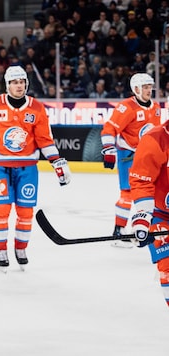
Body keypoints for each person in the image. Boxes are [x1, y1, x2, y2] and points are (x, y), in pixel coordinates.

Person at [0, 65, 71, 271]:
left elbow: (45, 139)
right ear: (7, 84)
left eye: (21, 82)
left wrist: (57, 162)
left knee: (26, 211)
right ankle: (1, 249)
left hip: (27, 167)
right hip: (0, 166)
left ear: (26, 84)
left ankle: (21, 248)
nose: (19, 86)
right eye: (14, 82)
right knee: (1, 210)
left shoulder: (36, 108)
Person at [100, 73, 161, 248]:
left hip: (148, 157)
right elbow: (109, 128)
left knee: (152, 193)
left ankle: (147, 227)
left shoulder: (155, 107)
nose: (149, 90)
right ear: (136, 89)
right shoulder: (126, 107)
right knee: (127, 193)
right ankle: (119, 230)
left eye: (150, 86)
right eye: (145, 87)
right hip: (129, 155)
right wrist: (109, 149)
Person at [129, 119, 169, 307]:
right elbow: (142, 181)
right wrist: (143, 216)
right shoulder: (155, 139)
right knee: (168, 267)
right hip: (162, 215)